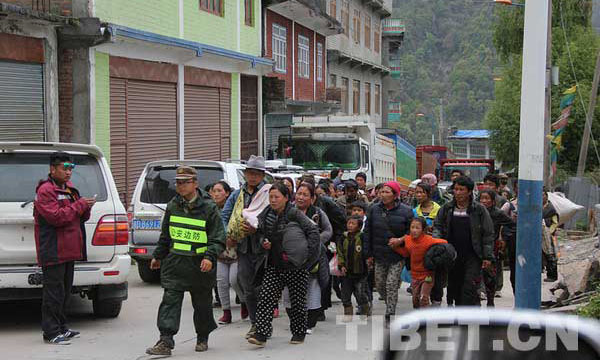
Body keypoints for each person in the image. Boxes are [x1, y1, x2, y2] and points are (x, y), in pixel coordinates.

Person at [145, 166, 225, 355]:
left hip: (200, 265)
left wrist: (209, 257)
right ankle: (165, 341)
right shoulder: (173, 205)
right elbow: (166, 234)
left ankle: (203, 337)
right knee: (170, 301)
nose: (180, 186)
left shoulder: (209, 207)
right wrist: (158, 255)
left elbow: (218, 237)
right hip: (175, 264)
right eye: (178, 182)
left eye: (184, 182)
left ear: (195, 184)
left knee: (202, 304)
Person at [247, 182, 320, 347]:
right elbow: (260, 233)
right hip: (274, 263)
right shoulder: (266, 214)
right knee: (266, 297)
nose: (273, 200)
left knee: (297, 302)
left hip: (295, 265)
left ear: (286, 198)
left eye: (277, 197)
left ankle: (299, 332)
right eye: (270, 197)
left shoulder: (295, 214)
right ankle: (261, 334)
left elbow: (313, 231)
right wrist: (263, 242)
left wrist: (307, 256)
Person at [34, 152, 95, 345]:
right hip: (53, 249)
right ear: (53, 169)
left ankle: (62, 327)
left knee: (65, 291)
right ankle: (51, 332)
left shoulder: (70, 190)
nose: (69, 172)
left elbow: (79, 217)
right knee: (53, 292)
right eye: (65, 168)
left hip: (69, 250)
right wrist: (79, 205)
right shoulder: (46, 191)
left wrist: (86, 207)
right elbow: (57, 217)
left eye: (71, 168)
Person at [221, 155, 269, 339]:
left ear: (262, 175)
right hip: (243, 248)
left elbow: (274, 218)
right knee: (248, 287)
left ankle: (264, 324)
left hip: (263, 248)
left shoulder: (267, 192)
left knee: (264, 289)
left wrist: (258, 229)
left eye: (257, 173)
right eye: (250, 173)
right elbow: (225, 217)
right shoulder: (237, 195)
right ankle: (256, 324)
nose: (253, 177)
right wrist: (230, 235)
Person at [432, 176, 494, 306]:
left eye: (462, 189)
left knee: (469, 286)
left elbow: (488, 234)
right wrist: (438, 243)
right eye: (456, 189)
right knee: (455, 286)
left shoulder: (479, 210)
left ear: (469, 191)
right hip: (452, 255)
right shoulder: (447, 208)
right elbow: (437, 226)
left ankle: (470, 312)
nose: (458, 192)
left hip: (473, 255)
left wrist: (487, 256)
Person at [364, 181, 413, 325]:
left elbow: (411, 232)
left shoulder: (406, 211)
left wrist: (400, 240)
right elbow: (368, 232)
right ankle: (389, 302)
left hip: (397, 255)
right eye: (382, 192)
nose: (383, 195)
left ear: (395, 194)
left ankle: (390, 313)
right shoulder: (373, 209)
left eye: (387, 192)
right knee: (380, 285)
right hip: (379, 254)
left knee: (391, 284)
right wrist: (368, 254)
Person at [287, 182, 332, 332]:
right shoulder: (288, 211)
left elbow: (328, 231)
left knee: (312, 290)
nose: (300, 197)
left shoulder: (318, 213)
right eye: (299, 193)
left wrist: (315, 240)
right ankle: (296, 320)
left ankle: (310, 323)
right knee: (289, 292)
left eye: (305, 194)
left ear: (312, 198)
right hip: (292, 258)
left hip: (314, 258)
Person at [390, 217, 447, 308]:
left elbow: (444, 242)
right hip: (415, 275)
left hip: (428, 275)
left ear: (423, 230)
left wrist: (437, 253)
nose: (414, 230)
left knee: (423, 297)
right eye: (412, 227)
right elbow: (406, 253)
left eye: (417, 228)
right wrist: (395, 247)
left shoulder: (428, 240)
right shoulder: (408, 240)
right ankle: (419, 315)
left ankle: (425, 318)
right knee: (415, 300)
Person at [210, 181, 245, 324]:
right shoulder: (210, 210)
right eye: (214, 190)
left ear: (227, 193)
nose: (216, 194)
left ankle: (244, 302)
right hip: (220, 254)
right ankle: (226, 312)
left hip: (236, 253)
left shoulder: (235, 208)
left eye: (219, 190)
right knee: (221, 282)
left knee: (234, 280)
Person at [479, 189, 516, 304]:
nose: (484, 201)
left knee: (489, 275)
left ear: (493, 201)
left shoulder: (497, 213)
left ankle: (490, 301)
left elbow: (512, 225)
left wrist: (503, 238)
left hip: (491, 248)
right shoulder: (475, 212)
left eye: (487, 198)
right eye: (482, 198)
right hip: (476, 247)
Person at [338, 215, 370, 321]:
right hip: (346, 272)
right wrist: (341, 265)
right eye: (349, 223)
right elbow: (340, 252)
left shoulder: (362, 237)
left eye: (353, 224)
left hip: (360, 271)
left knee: (360, 293)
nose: (350, 225)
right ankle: (348, 314)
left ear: (359, 226)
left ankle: (365, 309)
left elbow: (366, 251)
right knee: (345, 294)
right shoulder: (343, 237)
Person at [542, 190, 559, 282]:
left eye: (543, 195)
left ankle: (552, 275)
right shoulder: (539, 207)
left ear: (546, 196)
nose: (541, 197)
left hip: (548, 235)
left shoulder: (551, 209)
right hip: (540, 234)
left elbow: (555, 223)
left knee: (550, 254)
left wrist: (549, 232)